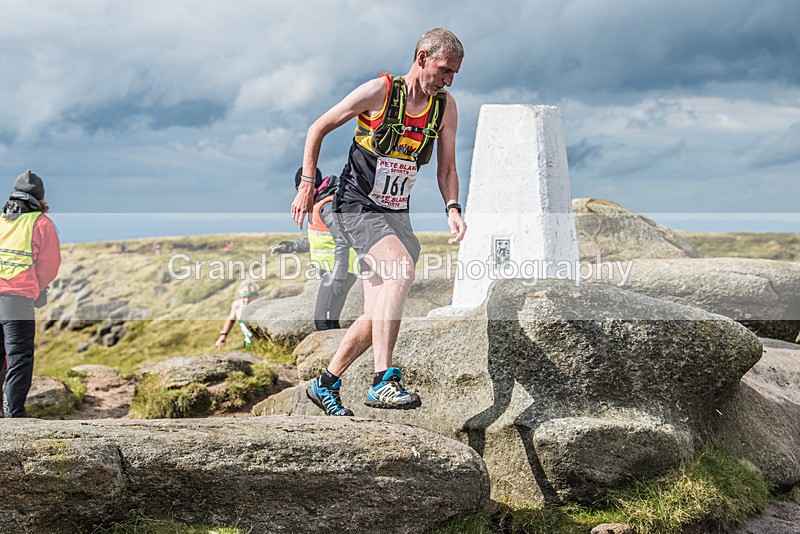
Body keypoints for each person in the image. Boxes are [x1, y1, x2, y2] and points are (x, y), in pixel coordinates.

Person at [290, 28, 467, 416]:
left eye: (454, 73)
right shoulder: (381, 91)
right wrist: (307, 184)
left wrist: (453, 207)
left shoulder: (444, 106)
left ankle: (326, 383)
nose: (448, 79)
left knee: (376, 315)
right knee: (400, 270)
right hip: (355, 205)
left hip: (395, 213)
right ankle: (382, 380)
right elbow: (317, 127)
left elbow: (447, 167)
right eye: (443, 69)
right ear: (422, 58)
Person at [0, 170, 61, 417]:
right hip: (17, 300)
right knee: (19, 358)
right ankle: (14, 415)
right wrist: (38, 288)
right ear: (39, 198)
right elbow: (49, 266)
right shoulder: (41, 224)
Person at [271, 167, 358, 331]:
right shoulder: (319, 203)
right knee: (330, 322)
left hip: (339, 271)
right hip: (339, 270)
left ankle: (333, 357)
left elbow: (342, 239)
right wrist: (292, 246)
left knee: (323, 322)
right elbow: (318, 240)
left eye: (300, 190)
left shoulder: (327, 205)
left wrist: (338, 277)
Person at [215, 281, 259, 349]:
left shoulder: (262, 305)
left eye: (250, 297)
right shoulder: (237, 305)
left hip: (263, 342)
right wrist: (223, 335)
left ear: (256, 295)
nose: (246, 300)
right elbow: (231, 319)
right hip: (248, 343)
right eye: (244, 297)